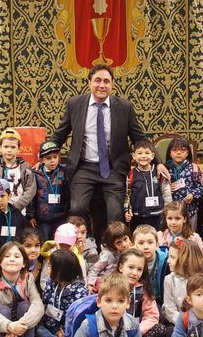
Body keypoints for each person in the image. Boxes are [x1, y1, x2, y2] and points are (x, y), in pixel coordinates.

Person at [49, 64, 166, 225]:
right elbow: (59, 135)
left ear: (112, 84)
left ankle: (110, 248)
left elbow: (140, 138)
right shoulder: (74, 104)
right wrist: (42, 155)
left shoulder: (124, 107)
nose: (102, 85)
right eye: (97, 80)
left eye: (106, 81)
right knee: (77, 208)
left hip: (113, 168)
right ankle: (83, 246)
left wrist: (158, 162)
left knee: (115, 212)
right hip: (83, 168)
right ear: (89, 83)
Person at [36, 249, 88, 337]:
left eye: (50, 266)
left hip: (69, 333)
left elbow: (77, 318)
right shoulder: (51, 283)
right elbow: (46, 303)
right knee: (38, 330)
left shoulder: (79, 291)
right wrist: (55, 330)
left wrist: (65, 332)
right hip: (52, 327)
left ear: (61, 271)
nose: (47, 268)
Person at [117, 248, 166, 337]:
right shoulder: (111, 285)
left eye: (139, 269)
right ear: (121, 267)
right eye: (130, 267)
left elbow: (152, 316)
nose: (135, 273)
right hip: (115, 331)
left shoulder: (143, 289)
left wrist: (137, 331)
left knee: (160, 329)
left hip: (136, 332)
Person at [162, 239, 203, 329]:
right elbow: (170, 311)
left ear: (185, 260)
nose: (168, 261)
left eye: (172, 257)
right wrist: (186, 323)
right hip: (178, 323)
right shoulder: (169, 280)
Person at [0, 128, 36, 215]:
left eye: (13, 147)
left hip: (19, 212)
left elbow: (30, 189)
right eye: (6, 146)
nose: (9, 150)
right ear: (0, 148)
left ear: (19, 149)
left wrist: (16, 207)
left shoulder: (25, 167)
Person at [125, 139, 172, 230]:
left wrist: (168, 210)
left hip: (157, 215)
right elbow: (127, 195)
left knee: (157, 239)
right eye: (139, 153)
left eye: (147, 153)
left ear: (152, 155)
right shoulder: (130, 175)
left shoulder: (159, 173)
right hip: (137, 216)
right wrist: (127, 210)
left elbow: (166, 192)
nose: (143, 156)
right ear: (134, 156)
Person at [28, 141, 70, 243]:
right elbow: (32, 196)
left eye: (55, 157)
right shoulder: (36, 174)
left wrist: (69, 212)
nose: (52, 161)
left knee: (59, 242)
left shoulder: (63, 172)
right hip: (43, 219)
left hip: (61, 217)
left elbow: (68, 193)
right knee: (44, 243)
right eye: (48, 158)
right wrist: (31, 215)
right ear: (41, 159)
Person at [165, 135, 203, 230]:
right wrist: (167, 189)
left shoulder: (194, 168)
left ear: (187, 153)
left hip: (190, 211)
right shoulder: (165, 169)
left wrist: (193, 195)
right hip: (171, 214)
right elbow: (158, 189)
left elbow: (202, 187)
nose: (178, 152)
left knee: (190, 239)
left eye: (182, 150)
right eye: (175, 150)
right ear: (170, 153)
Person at [87, 221, 132, 292]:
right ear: (113, 244)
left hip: (121, 284)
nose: (124, 244)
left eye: (125, 239)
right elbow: (94, 269)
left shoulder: (132, 251)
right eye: (118, 242)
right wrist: (90, 284)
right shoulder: (108, 255)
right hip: (105, 283)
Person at [132, 224, 168, 305]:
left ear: (157, 244)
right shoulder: (131, 262)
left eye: (150, 242)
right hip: (142, 302)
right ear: (134, 246)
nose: (146, 247)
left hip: (163, 301)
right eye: (141, 243)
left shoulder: (166, 261)